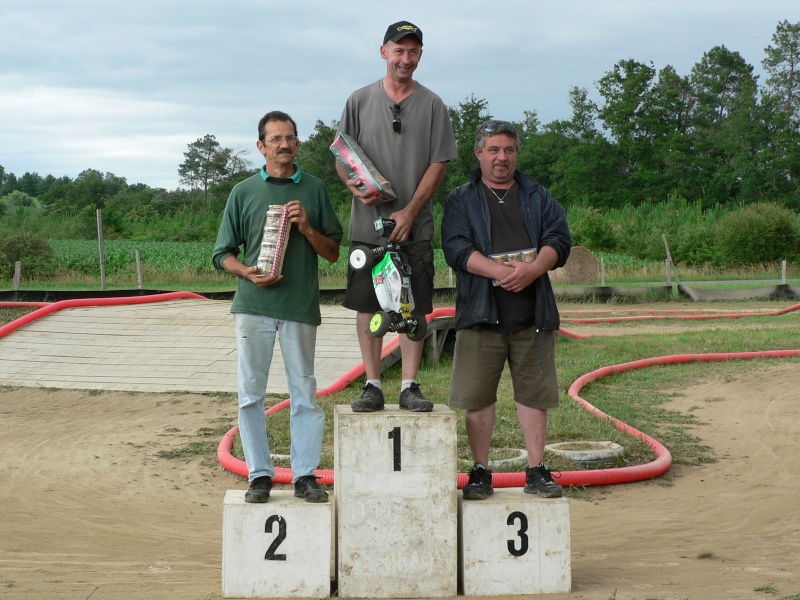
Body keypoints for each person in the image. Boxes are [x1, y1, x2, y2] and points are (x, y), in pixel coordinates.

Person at [212, 110, 343, 503]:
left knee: (304, 392)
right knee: (251, 394)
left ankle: (305, 475)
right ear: (261, 146)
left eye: (290, 138)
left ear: (297, 144)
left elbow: (334, 253)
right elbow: (222, 254)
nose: (284, 145)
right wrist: (248, 273)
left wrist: (307, 228)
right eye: (275, 139)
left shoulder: (315, 190)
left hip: (299, 308)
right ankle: (259, 475)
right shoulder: (243, 192)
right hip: (252, 307)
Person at [441, 120, 572, 500]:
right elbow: (457, 249)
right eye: (494, 150)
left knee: (534, 396)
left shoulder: (538, 195)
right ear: (479, 153)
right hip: (480, 316)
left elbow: (559, 239)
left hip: (533, 317)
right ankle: (481, 472)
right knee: (477, 397)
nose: (502, 157)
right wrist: (501, 273)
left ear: (517, 154)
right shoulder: (460, 199)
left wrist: (533, 270)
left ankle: (536, 469)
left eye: (509, 150)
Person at [336, 20, 458, 413]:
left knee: (414, 307)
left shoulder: (433, 105)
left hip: (414, 226)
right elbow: (343, 154)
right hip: (366, 228)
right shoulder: (358, 100)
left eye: (413, 51)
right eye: (398, 50)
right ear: (383, 51)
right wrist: (352, 184)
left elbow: (439, 162)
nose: (405, 58)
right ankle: (372, 384)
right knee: (368, 306)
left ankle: (409, 385)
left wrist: (411, 210)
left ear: (420, 55)